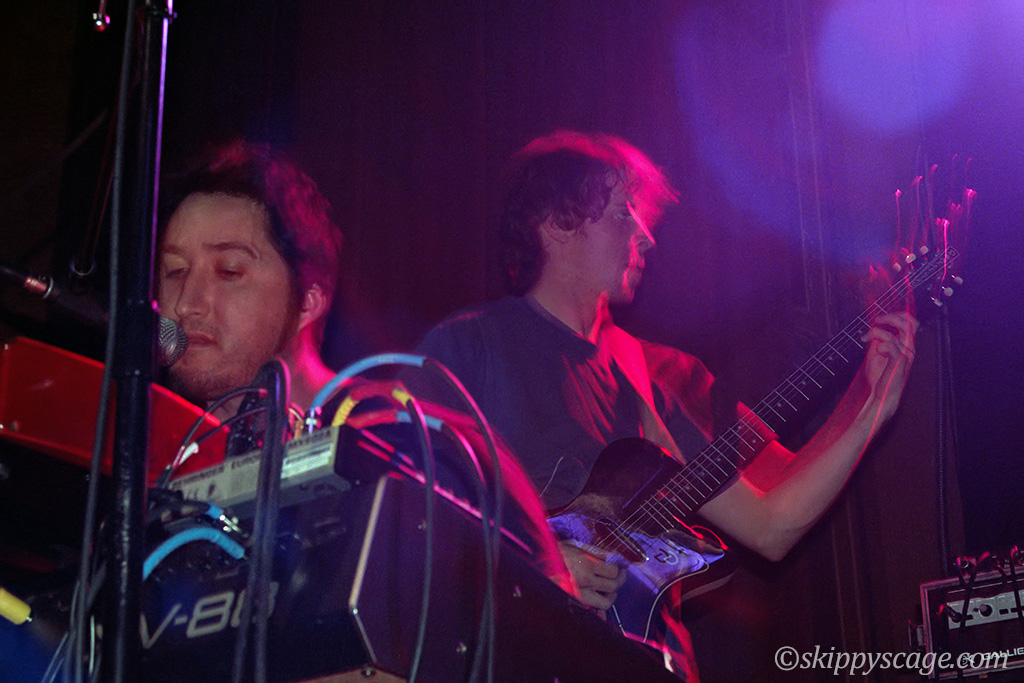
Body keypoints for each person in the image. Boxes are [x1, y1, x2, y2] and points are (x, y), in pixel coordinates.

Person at [414, 130, 918, 679]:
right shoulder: (470, 347)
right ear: (556, 223)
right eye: (624, 215)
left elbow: (772, 524)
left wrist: (872, 405)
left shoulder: (665, 376)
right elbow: (407, 514)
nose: (647, 237)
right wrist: (535, 560)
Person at [156, 141, 343, 420]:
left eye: (229, 271)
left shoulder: (386, 427)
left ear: (307, 301)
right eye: (176, 270)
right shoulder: (154, 439)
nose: (186, 304)